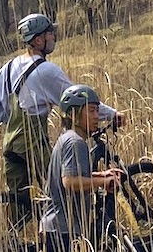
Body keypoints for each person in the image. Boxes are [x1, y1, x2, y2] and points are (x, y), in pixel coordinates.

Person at [0, 13, 123, 229]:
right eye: (50, 33)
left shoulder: (10, 66)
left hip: (10, 144)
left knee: (19, 210)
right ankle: (71, 235)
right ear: (38, 40)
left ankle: (12, 240)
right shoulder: (46, 71)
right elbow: (77, 101)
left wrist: (9, 119)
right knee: (66, 188)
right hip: (33, 144)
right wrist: (112, 114)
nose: (53, 36)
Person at [41, 84, 126, 252]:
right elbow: (70, 182)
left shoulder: (67, 138)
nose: (97, 117)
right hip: (63, 230)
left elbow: (72, 174)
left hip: (57, 228)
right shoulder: (75, 142)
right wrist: (103, 182)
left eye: (97, 111)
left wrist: (101, 175)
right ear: (73, 114)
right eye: (91, 111)